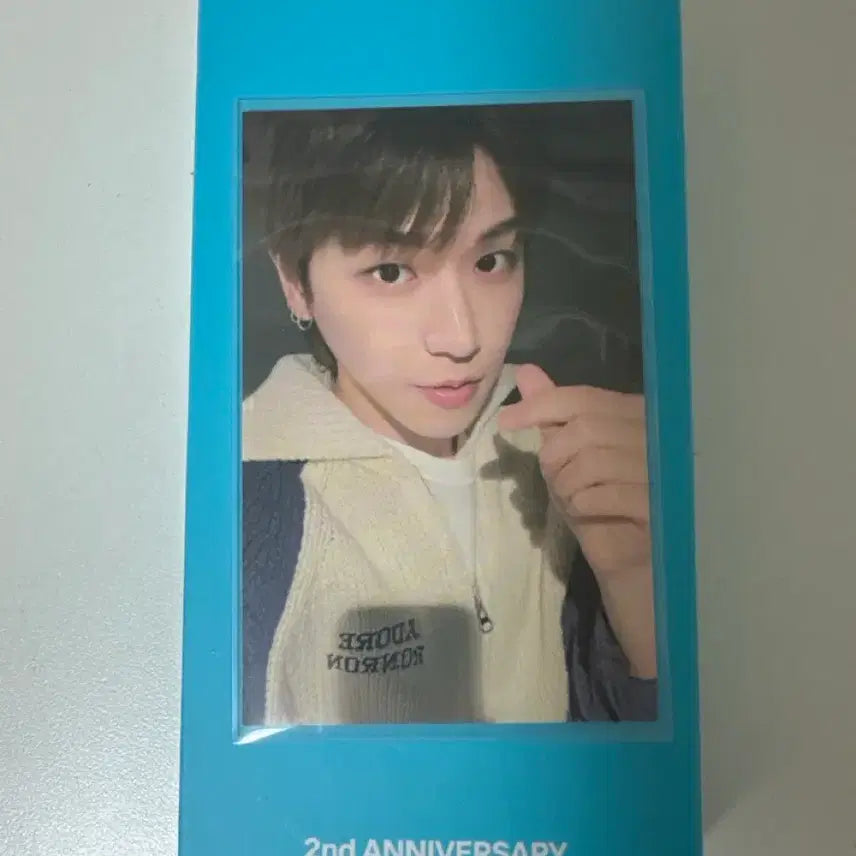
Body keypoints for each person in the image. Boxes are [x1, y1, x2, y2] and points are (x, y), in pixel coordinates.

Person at [242, 106, 657, 727]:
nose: (463, 338)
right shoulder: (233, 498)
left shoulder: (577, 455)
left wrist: (636, 579)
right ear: (295, 284)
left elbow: (648, 771)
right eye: (391, 271)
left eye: (492, 261)